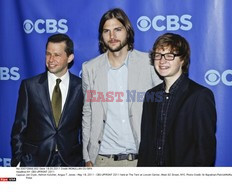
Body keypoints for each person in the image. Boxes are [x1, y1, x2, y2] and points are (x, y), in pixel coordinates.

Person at [82, 8, 161, 167]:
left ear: (128, 31)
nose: (112, 36)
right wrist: (87, 156)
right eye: (107, 31)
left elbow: (161, 110)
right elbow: (88, 113)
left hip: (142, 160)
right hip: (102, 160)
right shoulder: (90, 68)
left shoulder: (149, 63)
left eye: (117, 29)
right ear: (101, 36)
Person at [137, 33, 217, 166]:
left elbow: (205, 152)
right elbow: (145, 145)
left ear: (183, 60)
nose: (162, 61)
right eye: (158, 55)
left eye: (169, 55)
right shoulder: (150, 95)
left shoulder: (200, 96)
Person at [11, 34, 84, 167]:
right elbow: (19, 128)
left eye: (57, 55)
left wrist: (85, 160)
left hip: (71, 162)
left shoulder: (81, 87)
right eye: (48, 54)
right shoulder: (30, 86)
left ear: (70, 58)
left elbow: (85, 128)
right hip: (35, 162)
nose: (51, 59)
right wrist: (19, 160)